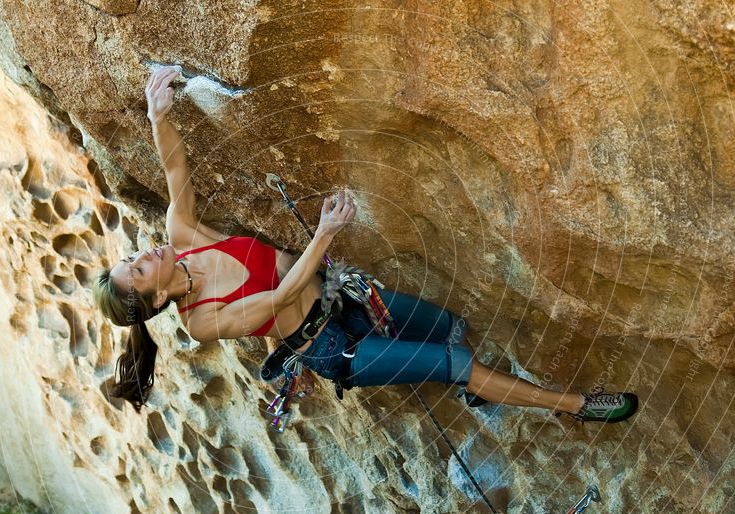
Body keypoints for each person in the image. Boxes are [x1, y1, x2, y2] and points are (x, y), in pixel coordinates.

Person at [93, 67, 639, 424]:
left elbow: (174, 167)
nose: (142, 257)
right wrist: (325, 234)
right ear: (158, 300)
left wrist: (157, 115)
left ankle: (481, 389)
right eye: (138, 273)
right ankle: (575, 405)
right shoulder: (202, 321)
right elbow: (281, 298)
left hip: (344, 296)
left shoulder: (182, 239)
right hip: (333, 349)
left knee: (450, 326)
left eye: (132, 258)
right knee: (456, 360)